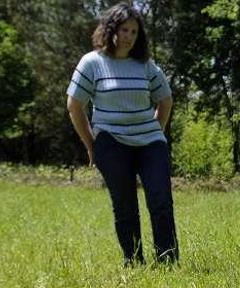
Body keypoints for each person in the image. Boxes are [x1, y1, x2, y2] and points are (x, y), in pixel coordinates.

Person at [66, 2, 178, 265]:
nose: (129, 36)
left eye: (134, 32)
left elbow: (166, 101)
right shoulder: (92, 62)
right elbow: (74, 105)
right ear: (110, 30)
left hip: (149, 143)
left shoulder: (145, 65)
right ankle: (133, 261)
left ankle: (167, 261)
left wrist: (155, 133)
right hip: (111, 142)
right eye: (124, 30)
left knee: (161, 199)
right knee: (125, 205)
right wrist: (91, 145)